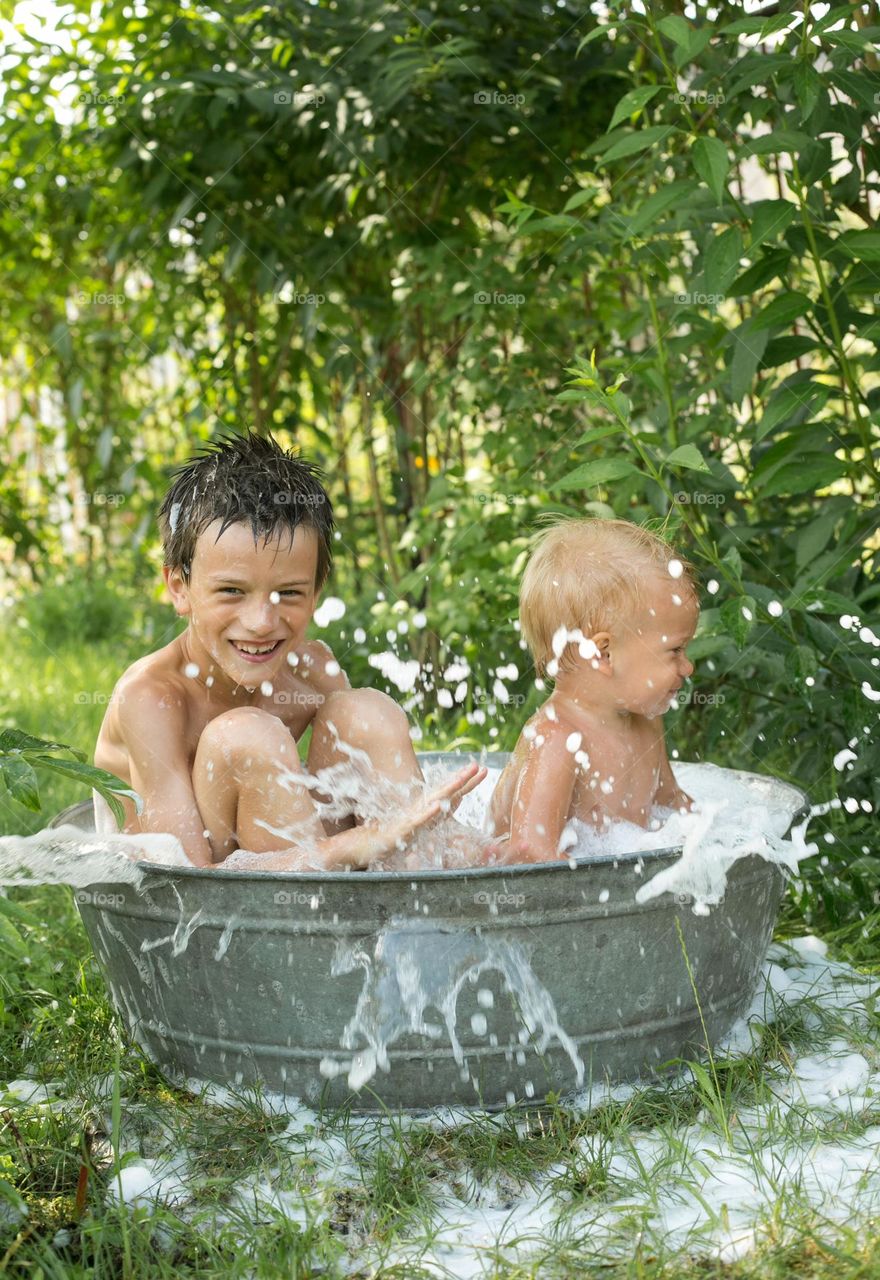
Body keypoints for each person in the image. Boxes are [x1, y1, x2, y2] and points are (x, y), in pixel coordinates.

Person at [93, 431, 485, 869]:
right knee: (244, 736)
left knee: (363, 712)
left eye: (289, 593)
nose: (261, 622)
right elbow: (181, 877)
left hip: (291, 863)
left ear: (316, 593)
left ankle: (419, 889)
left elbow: (356, 799)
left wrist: (487, 846)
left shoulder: (308, 671)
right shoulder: (151, 699)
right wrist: (354, 845)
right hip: (197, 909)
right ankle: (324, 915)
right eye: (231, 591)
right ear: (179, 588)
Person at [488, 517, 698, 861]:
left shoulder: (646, 720)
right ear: (602, 653)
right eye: (675, 650)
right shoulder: (557, 739)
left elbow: (671, 803)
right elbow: (528, 854)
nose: (688, 667)